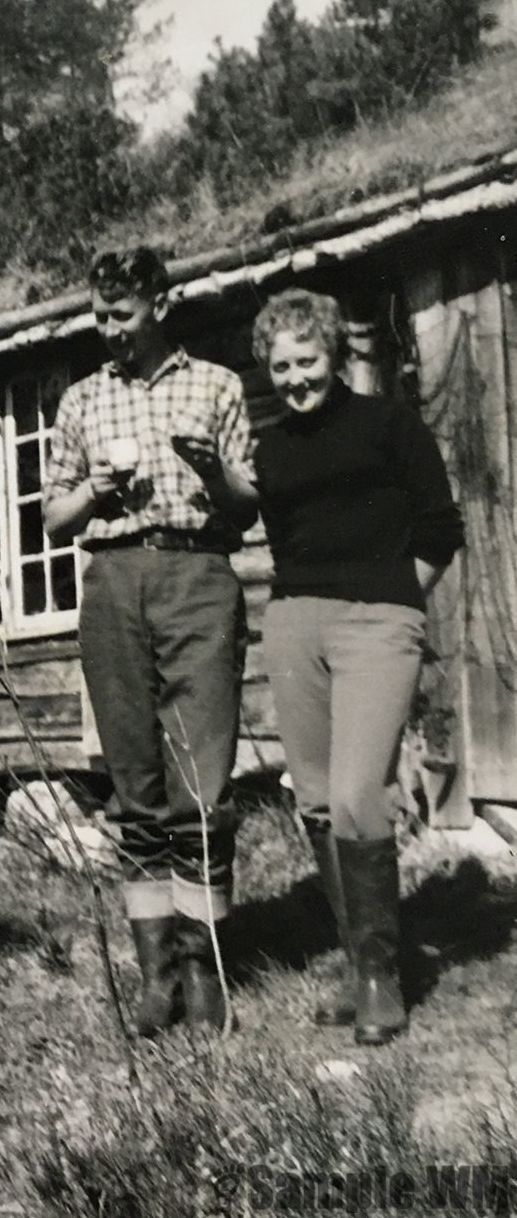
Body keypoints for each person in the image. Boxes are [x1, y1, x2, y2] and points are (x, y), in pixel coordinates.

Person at [43, 245, 258, 1034]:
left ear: (160, 305)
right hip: (111, 582)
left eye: (121, 315)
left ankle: (204, 972)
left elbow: (245, 508)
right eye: (97, 316)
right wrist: (93, 492)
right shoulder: (81, 402)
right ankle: (154, 974)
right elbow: (53, 519)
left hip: (197, 574)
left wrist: (212, 474)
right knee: (133, 786)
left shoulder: (217, 386)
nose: (107, 330)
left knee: (200, 788)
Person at [251, 288, 464, 1045]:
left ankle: (381, 977)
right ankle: (359, 963)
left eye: (306, 361)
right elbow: (287, 542)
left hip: (376, 622)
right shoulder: (270, 446)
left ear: (334, 355)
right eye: (280, 366)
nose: (294, 378)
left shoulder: (388, 425)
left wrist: (397, 599)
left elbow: (441, 527)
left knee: (352, 795)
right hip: (293, 624)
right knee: (312, 798)